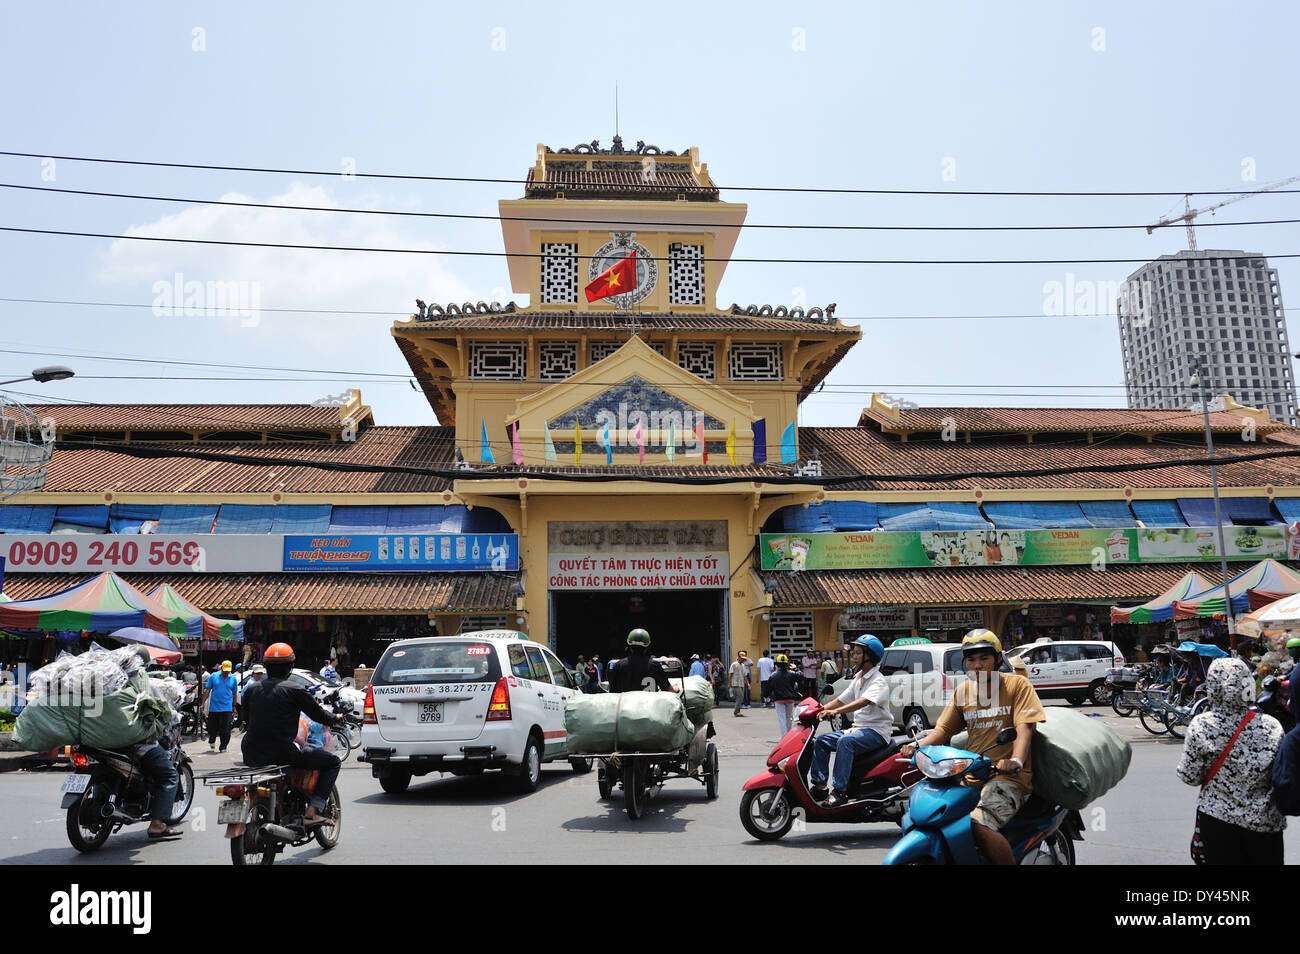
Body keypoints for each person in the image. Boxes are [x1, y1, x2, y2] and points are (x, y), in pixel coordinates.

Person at [902, 629, 1046, 865]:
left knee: (978, 823)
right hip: (970, 776)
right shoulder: (963, 691)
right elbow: (943, 731)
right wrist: (915, 746)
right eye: (971, 659)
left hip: (1008, 779)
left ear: (998, 659)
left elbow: (1024, 728)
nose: (977, 665)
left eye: (984, 658)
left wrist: (1016, 761)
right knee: (930, 816)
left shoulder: (1017, 685)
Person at [1177, 657, 1284, 865]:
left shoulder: (1201, 725)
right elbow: (1280, 777)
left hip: (1218, 823)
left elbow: (1190, 776)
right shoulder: (1272, 726)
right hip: (1264, 824)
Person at [241, 642, 346, 829]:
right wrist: (336, 718)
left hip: (251, 753)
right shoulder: (295, 690)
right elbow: (318, 715)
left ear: (266, 667)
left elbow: (246, 720)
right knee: (332, 762)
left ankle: (261, 811)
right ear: (290, 668)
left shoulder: (251, 690)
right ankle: (312, 813)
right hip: (282, 753)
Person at [808, 635, 893, 808]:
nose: (853, 656)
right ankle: (820, 786)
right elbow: (841, 699)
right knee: (821, 742)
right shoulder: (858, 678)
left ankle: (840, 792)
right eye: (853, 653)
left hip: (876, 732)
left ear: (869, 656)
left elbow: (864, 701)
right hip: (859, 729)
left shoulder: (878, 680)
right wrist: (820, 709)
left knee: (845, 742)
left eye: (857, 653)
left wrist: (835, 712)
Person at [607, 629, 677, 693]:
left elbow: (612, 692)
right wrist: (675, 688)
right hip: (650, 706)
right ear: (647, 646)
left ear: (629, 645)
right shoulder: (654, 665)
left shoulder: (619, 665)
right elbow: (670, 691)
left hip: (625, 707)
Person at [205, 660, 240, 753]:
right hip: (214, 707)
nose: (226, 673)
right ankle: (212, 739)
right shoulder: (213, 676)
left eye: (228, 671)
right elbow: (207, 690)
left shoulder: (233, 679)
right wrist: (202, 703)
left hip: (227, 707)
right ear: (221, 669)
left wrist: (234, 706)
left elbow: (235, 693)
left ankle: (223, 746)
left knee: (225, 729)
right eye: (225, 671)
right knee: (212, 727)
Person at [769, 654, 803, 736]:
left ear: (777, 664)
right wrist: (796, 668)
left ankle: (784, 737)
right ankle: (788, 735)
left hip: (778, 699)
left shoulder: (773, 675)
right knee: (789, 718)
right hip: (790, 699)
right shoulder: (792, 673)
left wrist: (766, 696)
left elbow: (768, 687)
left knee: (782, 719)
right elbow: (801, 676)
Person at [237, 664, 267, 729]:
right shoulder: (251, 683)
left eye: (261, 674)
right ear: (253, 673)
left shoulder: (258, 682)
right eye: (257, 674)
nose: (259, 676)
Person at [729, 651, 750, 716]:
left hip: (741, 683)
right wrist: (729, 683)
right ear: (739, 657)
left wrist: (748, 684)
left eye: (744, 659)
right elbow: (730, 674)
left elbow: (745, 676)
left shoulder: (743, 665)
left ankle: (738, 711)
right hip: (735, 683)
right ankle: (736, 712)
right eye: (742, 658)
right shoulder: (734, 664)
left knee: (741, 697)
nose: (743, 660)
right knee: (740, 696)